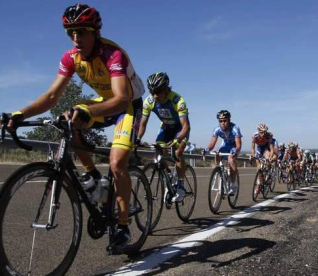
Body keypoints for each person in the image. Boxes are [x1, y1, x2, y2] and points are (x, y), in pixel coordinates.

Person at [3, 3, 145, 250]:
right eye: (71, 33)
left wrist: (88, 111)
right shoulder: (71, 58)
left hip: (128, 105)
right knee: (69, 117)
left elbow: (121, 98)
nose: (76, 38)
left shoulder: (112, 54)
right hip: (105, 100)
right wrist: (19, 113)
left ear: (94, 32)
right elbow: (51, 97)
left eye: (81, 31)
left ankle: (122, 226)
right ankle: (92, 176)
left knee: (117, 162)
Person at [137, 72, 190, 202]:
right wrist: (137, 139)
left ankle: (181, 187)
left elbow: (186, 127)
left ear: (166, 88)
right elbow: (143, 124)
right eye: (152, 91)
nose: (155, 95)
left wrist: (177, 139)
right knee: (159, 151)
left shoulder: (178, 100)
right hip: (166, 128)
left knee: (177, 153)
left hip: (180, 129)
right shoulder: (149, 101)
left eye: (158, 91)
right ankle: (170, 175)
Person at [204, 110, 242, 195]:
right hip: (225, 145)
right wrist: (207, 149)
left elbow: (238, 144)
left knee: (231, 159)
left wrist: (236, 150)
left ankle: (233, 185)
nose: (223, 123)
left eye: (225, 120)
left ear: (229, 120)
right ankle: (220, 171)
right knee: (217, 154)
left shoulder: (235, 128)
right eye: (220, 121)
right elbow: (212, 143)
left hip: (234, 146)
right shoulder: (217, 129)